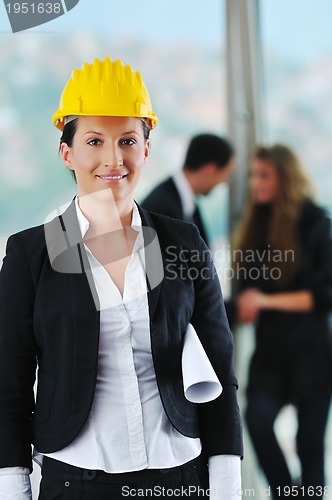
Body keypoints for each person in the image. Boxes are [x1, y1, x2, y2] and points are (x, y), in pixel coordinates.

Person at [0, 57, 243, 499]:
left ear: (146, 149)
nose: (114, 158)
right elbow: (9, 385)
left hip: (180, 480)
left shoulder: (182, 243)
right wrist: (13, 489)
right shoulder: (31, 254)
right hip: (76, 483)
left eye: (128, 140)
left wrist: (227, 487)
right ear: (67, 152)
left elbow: (220, 374)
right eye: (95, 140)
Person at [232, 144, 332, 500]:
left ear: (284, 178)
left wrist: (266, 300)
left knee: (310, 447)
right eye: (252, 175)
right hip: (271, 352)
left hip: (311, 353)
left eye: (263, 175)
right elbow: (244, 287)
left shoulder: (316, 224)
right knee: (257, 421)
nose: (255, 183)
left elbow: (323, 296)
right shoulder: (255, 228)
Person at [141, 133, 235, 247]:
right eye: (225, 175)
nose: (224, 182)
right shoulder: (161, 208)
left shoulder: (186, 203)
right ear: (210, 170)